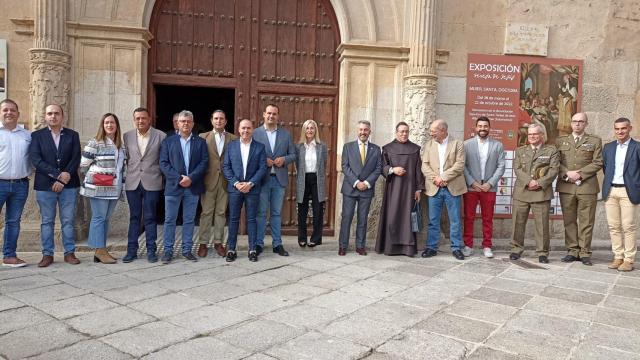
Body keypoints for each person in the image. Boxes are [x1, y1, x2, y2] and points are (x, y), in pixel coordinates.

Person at [30, 104, 81, 267]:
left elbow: (75, 158)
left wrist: (65, 177)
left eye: (56, 113)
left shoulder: (73, 135)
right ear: (45, 116)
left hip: (69, 185)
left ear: (62, 116)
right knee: (47, 221)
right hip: (46, 186)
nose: (53, 116)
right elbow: (36, 160)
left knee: (68, 220)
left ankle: (69, 252)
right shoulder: (37, 136)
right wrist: (58, 175)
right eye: (50, 113)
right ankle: (47, 254)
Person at [159, 110, 208, 264]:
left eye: (188, 121)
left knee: (189, 220)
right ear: (177, 124)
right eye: (182, 121)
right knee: (170, 220)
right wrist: (179, 178)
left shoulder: (200, 142)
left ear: (193, 124)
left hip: (192, 187)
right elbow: (163, 164)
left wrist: (191, 178)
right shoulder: (168, 141)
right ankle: (168, 250)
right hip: (174, 186)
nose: (185, 124)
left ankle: (187, 250)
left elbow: (204, 162)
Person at [556, 112, 602, 266]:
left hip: (587, 187)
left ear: (586, 124)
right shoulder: (560, 141)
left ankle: (584, 252)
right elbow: (555, 162)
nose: (577, 124)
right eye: (575, 121)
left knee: (586, 221)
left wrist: (580, 174)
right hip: (566, 186)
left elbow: (598, 162)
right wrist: (566, 173)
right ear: (571, 123)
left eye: (581, 122)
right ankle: (572, 250)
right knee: (569, 221)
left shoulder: (595, 141)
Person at [79, 113, 126, 264]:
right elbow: (83, 165)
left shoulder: (120, 145)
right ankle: (99, 250)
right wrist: (98, 176)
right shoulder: (95, 142)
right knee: (99, 218)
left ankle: (102, 250)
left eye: (112, 123)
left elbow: (121, 167)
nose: (110, 125)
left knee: (105, 219)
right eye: (106, 123)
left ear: (117, 125)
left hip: (115, 187)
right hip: (99, 187)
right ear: (102, 125)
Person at [122, 107, 166, 263]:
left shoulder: (161, 136)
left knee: (150, 217)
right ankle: (131, 251)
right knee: (134, 217)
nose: (140, 121)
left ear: (149, 119)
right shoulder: (126, 136)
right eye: (137, 118)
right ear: (134, 120)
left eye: (143, 118)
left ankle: (151, 251)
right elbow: (125, 158)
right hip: (132, 182)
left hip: (152, 182)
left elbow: (163, 160)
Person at [510, 123, 559, 263]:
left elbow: (553, 170)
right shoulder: (520, 150)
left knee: (542, 225)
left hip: (541, 193)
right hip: (522, 191)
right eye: (530, 134)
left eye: (535, 134)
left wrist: (539, 183)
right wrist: (529, 181)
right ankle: (516, 249)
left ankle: (542, 252)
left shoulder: (551, 151)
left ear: (542, 135)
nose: (531, 137)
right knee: (517, 223)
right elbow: (517, 168)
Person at [253, 104, 296, 257]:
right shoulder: (255, 133)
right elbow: (250, 154)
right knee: (261, 213)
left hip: (279, 180)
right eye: (269, 113)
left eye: (274, 114)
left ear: (278, 116)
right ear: (264, 114)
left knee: (277, 213)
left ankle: (277, 244)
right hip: (262, 180)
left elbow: (293, 155)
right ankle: (258, 243)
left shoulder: (286, 135)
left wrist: (283, 159)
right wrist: (262, 160)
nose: (271, 116)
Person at [375, 122, 424, 256]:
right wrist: (392, 169)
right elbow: (382, 167)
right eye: (401, 131)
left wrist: (419, 189)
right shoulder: (387, 148)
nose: (404, 134)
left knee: (407, 218)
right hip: (393, 189)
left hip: (409, 189)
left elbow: (418, 170)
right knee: (392, 216)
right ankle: (390, 248)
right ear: (396, 132)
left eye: (406, 131)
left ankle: (407, 249)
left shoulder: (415, 149)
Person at [223, 119, 267, 262]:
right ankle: (231, 249)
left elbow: (262, 168)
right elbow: (226, 167)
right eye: (243, 128)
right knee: (233, 219)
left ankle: (252, 249)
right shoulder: (231, 146)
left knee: (251, 219)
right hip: (235, 189)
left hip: (252, 189)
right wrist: (236, 183)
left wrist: (251, 183)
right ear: (238, 129)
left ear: (252, 129)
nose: (245, 131)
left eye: (248, 128)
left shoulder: (260, 147)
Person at [421, 119, 466, 260]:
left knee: (455, 220)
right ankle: (431, 247)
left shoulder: (457, 144)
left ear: (443, 130)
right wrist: (436, 178)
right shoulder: (429, 145)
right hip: (434, 187)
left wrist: (443, 177)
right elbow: (424, 165)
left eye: (434, 131)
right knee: (433, 220)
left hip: (452, 187)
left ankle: (456, 248)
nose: (431, 133)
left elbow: (460, 165)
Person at [462, 116, 505, 258]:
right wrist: (472, 182)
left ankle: (487, 246)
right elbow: (462, 166)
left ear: (489, 128)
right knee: (469, 217)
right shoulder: (466, 145)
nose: (482, 129)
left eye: (485, 126)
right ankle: (468, 245)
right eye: (480, 126)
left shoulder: (497, 145)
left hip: (489, 188)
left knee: (488, 218)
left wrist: (489, 183)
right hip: (471, 188)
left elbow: (501, 166)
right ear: (475, 127)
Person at [338, 120, 382, 256]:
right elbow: (345, 166)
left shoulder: (376, 149)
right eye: (361, 130)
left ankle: (360, 246)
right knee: (347, 217)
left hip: (367, 189)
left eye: (366, 130)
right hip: (350, 188)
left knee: (363, 218)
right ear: (357, 131)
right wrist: (357, 182)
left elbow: (378, 168)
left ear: (370, 131)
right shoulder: (348, 147)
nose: (363, 132)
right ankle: (343, 246)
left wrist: (367, 183)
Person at [602, 117, 640, 272]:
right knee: (614, 226)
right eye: (617, 129)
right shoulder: (608, 147)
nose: (620, 131)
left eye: (623, 128)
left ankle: (629, 259)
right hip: (611, 190)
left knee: (629, 226)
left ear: (629, 128)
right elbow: (606, 167)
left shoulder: (637, 147)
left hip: (628, 191)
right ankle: (618, 256)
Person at [197, 110, 237, 257]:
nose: (219, 121)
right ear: (211, 121)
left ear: (226, 121)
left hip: (225, 181)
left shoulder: (233, 138)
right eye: (216, 118)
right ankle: (203, 243)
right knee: (206, 213)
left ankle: (218, 242)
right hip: (208, 180)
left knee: (221, 213)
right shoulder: (203, 137)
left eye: (221, 119)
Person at [0, 99, 31, 267]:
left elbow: (34, 158)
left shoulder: (27, 135)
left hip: (20, 185)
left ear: (18, 114)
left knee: (13, 221)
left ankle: (9, 255)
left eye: (12, 110)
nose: (9, 113)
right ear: (0, 112)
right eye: (5, 110)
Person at [295, 119, 328, 248]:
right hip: (303, 179)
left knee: (318, 209)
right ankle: (302, 238)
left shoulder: (322, 146)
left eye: (312, 128)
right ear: (304, 130)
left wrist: (318, 176)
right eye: (307, 128)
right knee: (302, 210)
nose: (309, 131)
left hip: (316, 179)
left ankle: (316, 238)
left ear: (315, 130)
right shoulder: (298, 147)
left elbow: (323, 164)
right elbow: (298, 165)